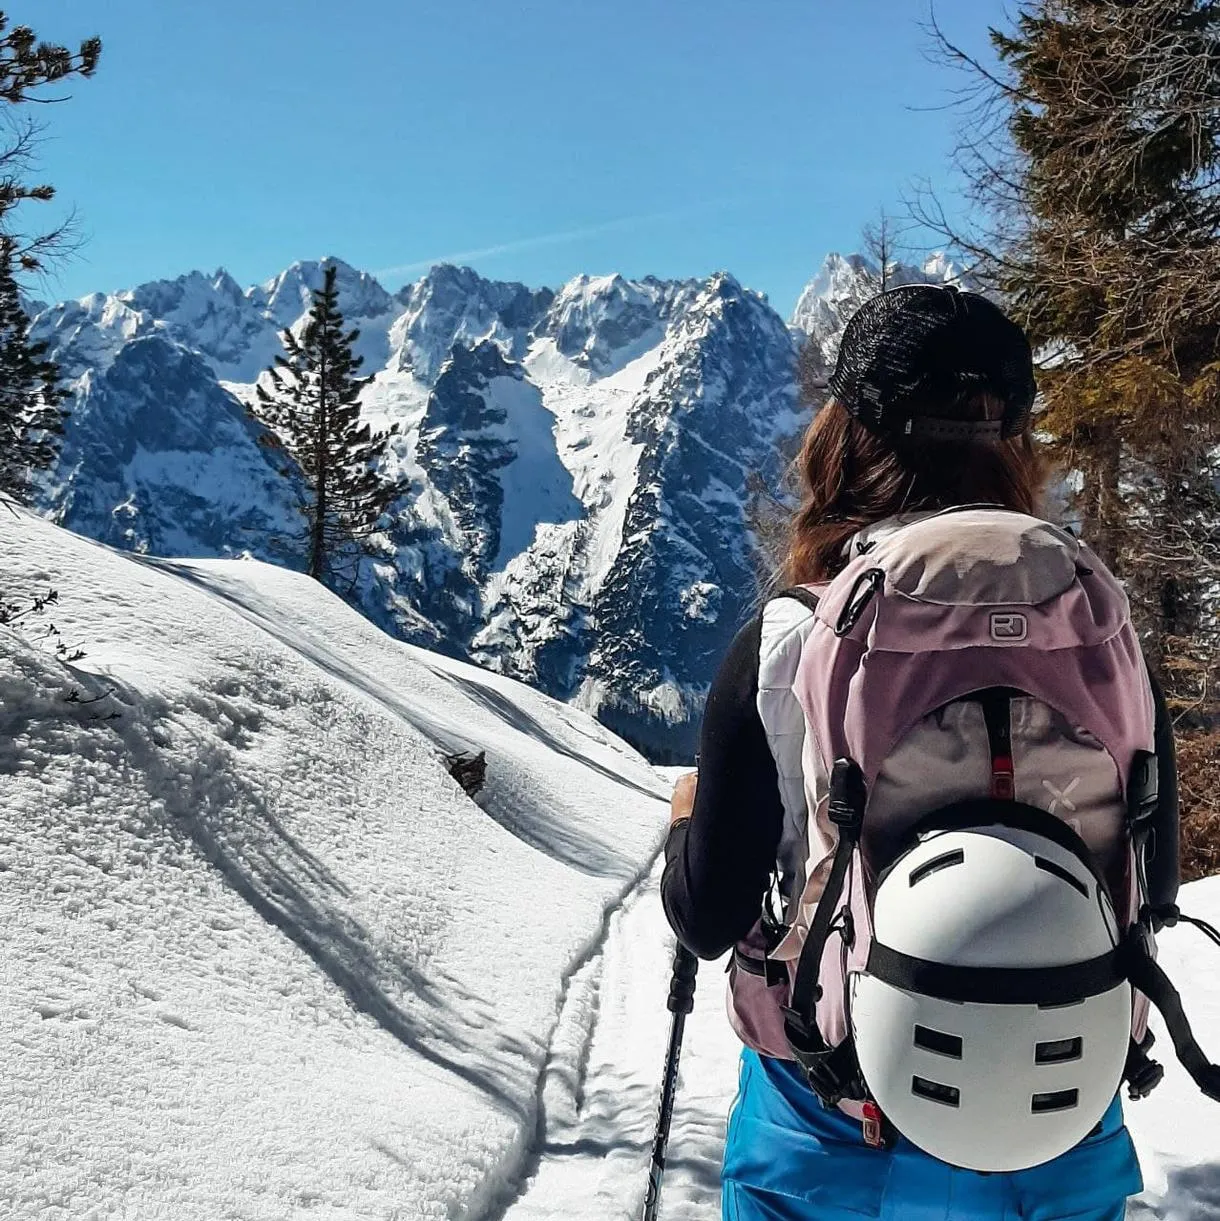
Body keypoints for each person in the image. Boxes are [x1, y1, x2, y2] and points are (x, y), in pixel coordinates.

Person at [660, 284, 1179, 1221]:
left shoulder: (793, 635)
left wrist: (690, 819)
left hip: (832, 1122)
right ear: (1017, 440)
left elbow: (708, 918)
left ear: (844, 434)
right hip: (1058, 1109)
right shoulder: (1101, 629)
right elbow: (1158, 871)